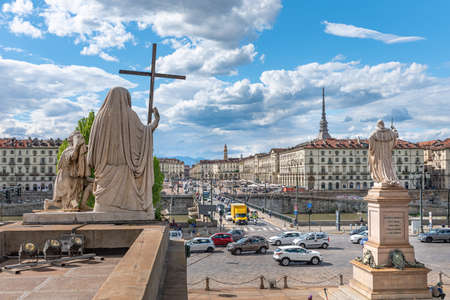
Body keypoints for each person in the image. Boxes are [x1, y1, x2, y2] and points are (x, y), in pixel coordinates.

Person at [87, 87, 159, 214]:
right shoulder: (130, 115)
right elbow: (144, 134)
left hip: (104, 175)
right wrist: (156, 121)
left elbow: (91, 153)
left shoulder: (99, 118)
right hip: (126, 175)